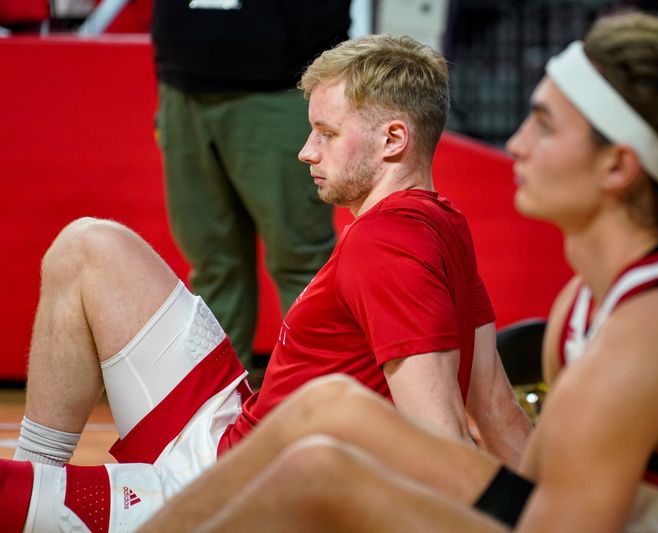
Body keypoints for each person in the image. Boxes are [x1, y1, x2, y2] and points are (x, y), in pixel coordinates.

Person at [138, 13, 658, 532]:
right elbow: (524, 476)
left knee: (323, 466)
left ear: (617, 166)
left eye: (542, 124)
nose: (515, 144)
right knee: (329, 409)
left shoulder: (649, 341)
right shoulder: (588, 302)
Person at [0, 35, 530, 532]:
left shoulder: (386, 243)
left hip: (231, 487)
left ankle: (39, 487)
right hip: (236, 430)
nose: (306, 151)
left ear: (393, 139)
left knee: (7, 493)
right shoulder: (443, 223)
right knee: (88, 246)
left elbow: (437, 444)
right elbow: (496, 407)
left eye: (327, 133)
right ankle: (41, 476)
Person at [152, 0, 350, 376]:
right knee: (213, 265)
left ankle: (323, 402)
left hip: (282, 88)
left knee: (302, 260)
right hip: (182, 83)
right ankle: (219, 410)